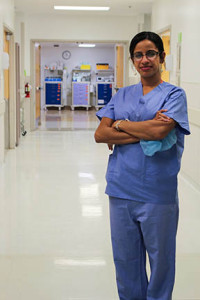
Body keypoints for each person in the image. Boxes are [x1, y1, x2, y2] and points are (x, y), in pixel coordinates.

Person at [94, 31, 190, 300]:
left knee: (161, 261)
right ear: (132, 60)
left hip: (157, 193)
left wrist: (121, 125)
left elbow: (159, 133)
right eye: (138, 54)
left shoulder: (174, 95)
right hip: (121, 189)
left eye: (150, 53)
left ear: (162, 56)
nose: (144, 59)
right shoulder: (122, 94)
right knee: (125, 260)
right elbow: (100, 134)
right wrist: (147, 128)